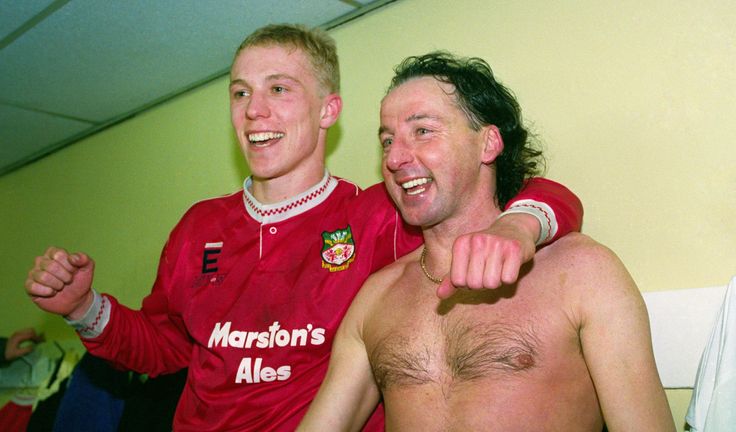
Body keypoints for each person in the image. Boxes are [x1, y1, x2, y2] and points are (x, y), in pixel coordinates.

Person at [24, 25, 583, 431]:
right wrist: (84, 307)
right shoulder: (198, 227)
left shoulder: (376, 216)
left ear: (328, 110)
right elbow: (166, 347)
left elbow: (532, 194)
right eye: (240, 92)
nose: (253, 111)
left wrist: (520, 224)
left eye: (279, 89)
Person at [299, 52, 674, 431]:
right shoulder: (376, 299)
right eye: (387, 141)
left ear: (489, 143)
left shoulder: (583, 273)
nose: (395, 158)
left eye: (423, 131)